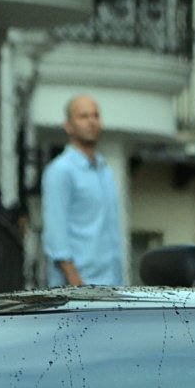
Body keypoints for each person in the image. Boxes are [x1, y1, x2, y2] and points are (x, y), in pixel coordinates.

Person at [42, 94, 125, 286]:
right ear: (68, 125)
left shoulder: (105, 170)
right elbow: (55, 235)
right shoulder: (60, 170)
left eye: (95, 116)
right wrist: (76, 284)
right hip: (79, 289)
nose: (91, 122)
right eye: (83, 116)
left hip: (111, 284)